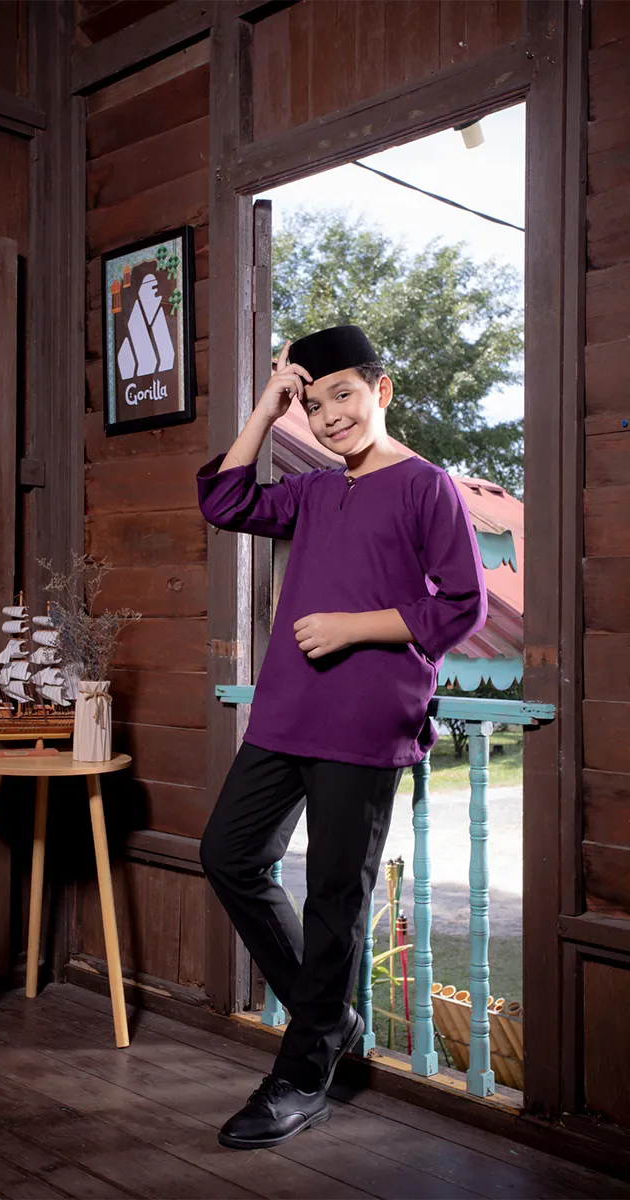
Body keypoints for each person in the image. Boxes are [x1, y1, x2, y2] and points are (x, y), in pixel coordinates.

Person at [196, 325, 487, 1150]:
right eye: (313, 405)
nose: (329, 418)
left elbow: (462, 605)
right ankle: (328, 1022)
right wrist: (268, 405)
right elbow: (225, 502)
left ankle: (301, 1077)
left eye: (343, 397)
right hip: (287, 712)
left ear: (380, 391)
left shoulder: (428, 487)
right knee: (228, 854)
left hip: (366, 718)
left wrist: (354, 626)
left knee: (333, 899)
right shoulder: (316, 490)